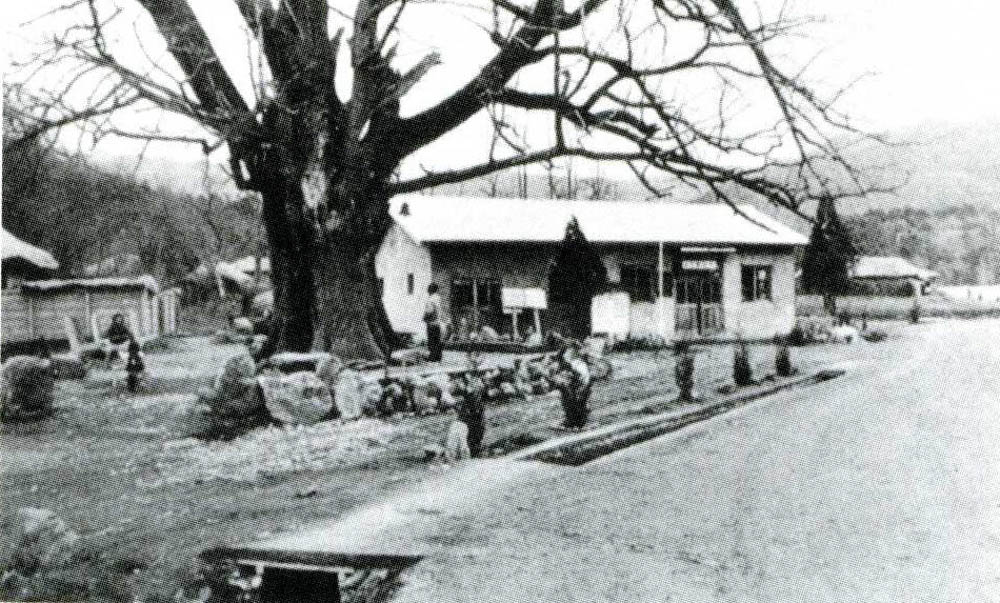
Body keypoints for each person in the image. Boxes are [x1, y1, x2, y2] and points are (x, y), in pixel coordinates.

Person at [553, 342, 592, 430]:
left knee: (576, 403)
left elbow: (579, 378)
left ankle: (578, 423)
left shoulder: (575, 364)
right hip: (576, 386)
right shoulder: (573, 363)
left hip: (580, 386)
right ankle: (572, 421)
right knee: (569, 402)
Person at [424, 284, 444, 362]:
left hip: (431, 322)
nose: (427, 291)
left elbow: (430, 310)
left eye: (428, 289)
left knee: (432, 340)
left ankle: (432, 357)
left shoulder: (431, 299)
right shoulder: (438, 298)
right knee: (437, 340)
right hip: (438, 322)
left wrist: (425, 317)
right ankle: (438, 357)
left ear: (430, 290)